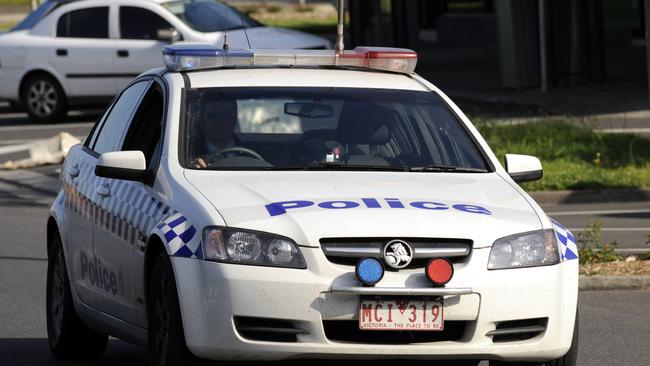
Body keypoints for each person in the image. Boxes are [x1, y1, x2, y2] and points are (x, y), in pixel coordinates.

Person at [191, 99, 239, 168]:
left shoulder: (253, 151)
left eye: (226, 115)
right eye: (213, 116)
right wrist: (192, 169)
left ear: (234, 119)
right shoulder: (186, 155)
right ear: (202, 120)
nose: (220, 123)